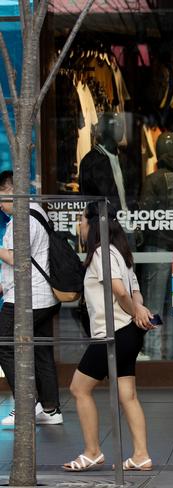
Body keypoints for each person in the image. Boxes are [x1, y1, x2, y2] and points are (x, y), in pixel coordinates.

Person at [63, 203, 155, 472]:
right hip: (129, 332)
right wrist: (139, 310)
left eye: (81, 221)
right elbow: (134, 290)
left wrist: (136, 310)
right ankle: (141, 455)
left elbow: (119, 290)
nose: (79, 226)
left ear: (93, 225)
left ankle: (92, 451)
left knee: (78, 389)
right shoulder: (120, 252)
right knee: (128, 394)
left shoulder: (102, 252)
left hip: (112, 333)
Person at [0, 171, 63, 426]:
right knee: (42, 352)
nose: (1, 206)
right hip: (45, 296)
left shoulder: (21, 219)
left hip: (28, 297)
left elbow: (18, 258)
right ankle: (51, 410)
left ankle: (27, 405)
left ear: (11, 191)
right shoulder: (38, 210)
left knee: (4, 345)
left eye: (2, 199)